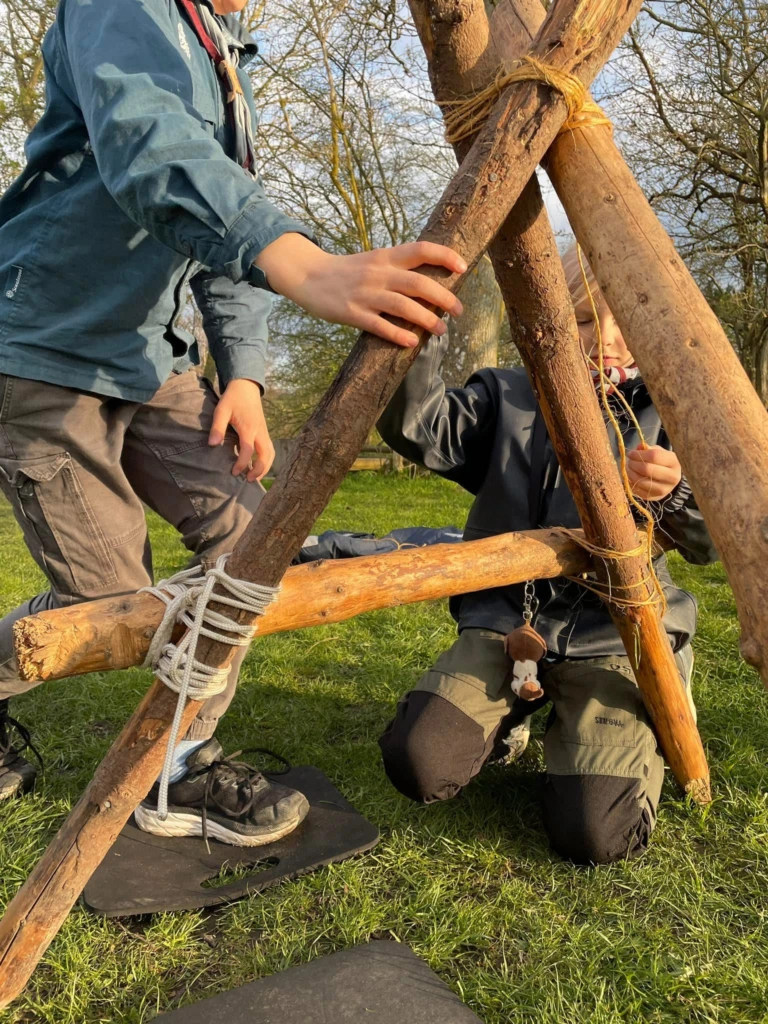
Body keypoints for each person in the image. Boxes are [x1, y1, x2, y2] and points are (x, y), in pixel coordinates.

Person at [0, 0, 467, 847]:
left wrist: (244, 376)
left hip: (158, 365)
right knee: (112, 610)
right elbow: (149, 147)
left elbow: (222, 223)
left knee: (250, 552)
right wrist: (306, 265)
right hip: (44, 351)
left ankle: (180, 763)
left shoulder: (225, 51)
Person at [377, 244, 718, 865]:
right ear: (548, 318)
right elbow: (419, 427)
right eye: (585, 320)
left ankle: (597, 734)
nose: (606, 341)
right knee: (418, 763)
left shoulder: (670, 417)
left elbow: (705, 544)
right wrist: (416, 338)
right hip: (508, 625)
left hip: (614, 639)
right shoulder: (505, 397)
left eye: (624, 325)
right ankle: (505, 722)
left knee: (594, 835)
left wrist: (675, 494)